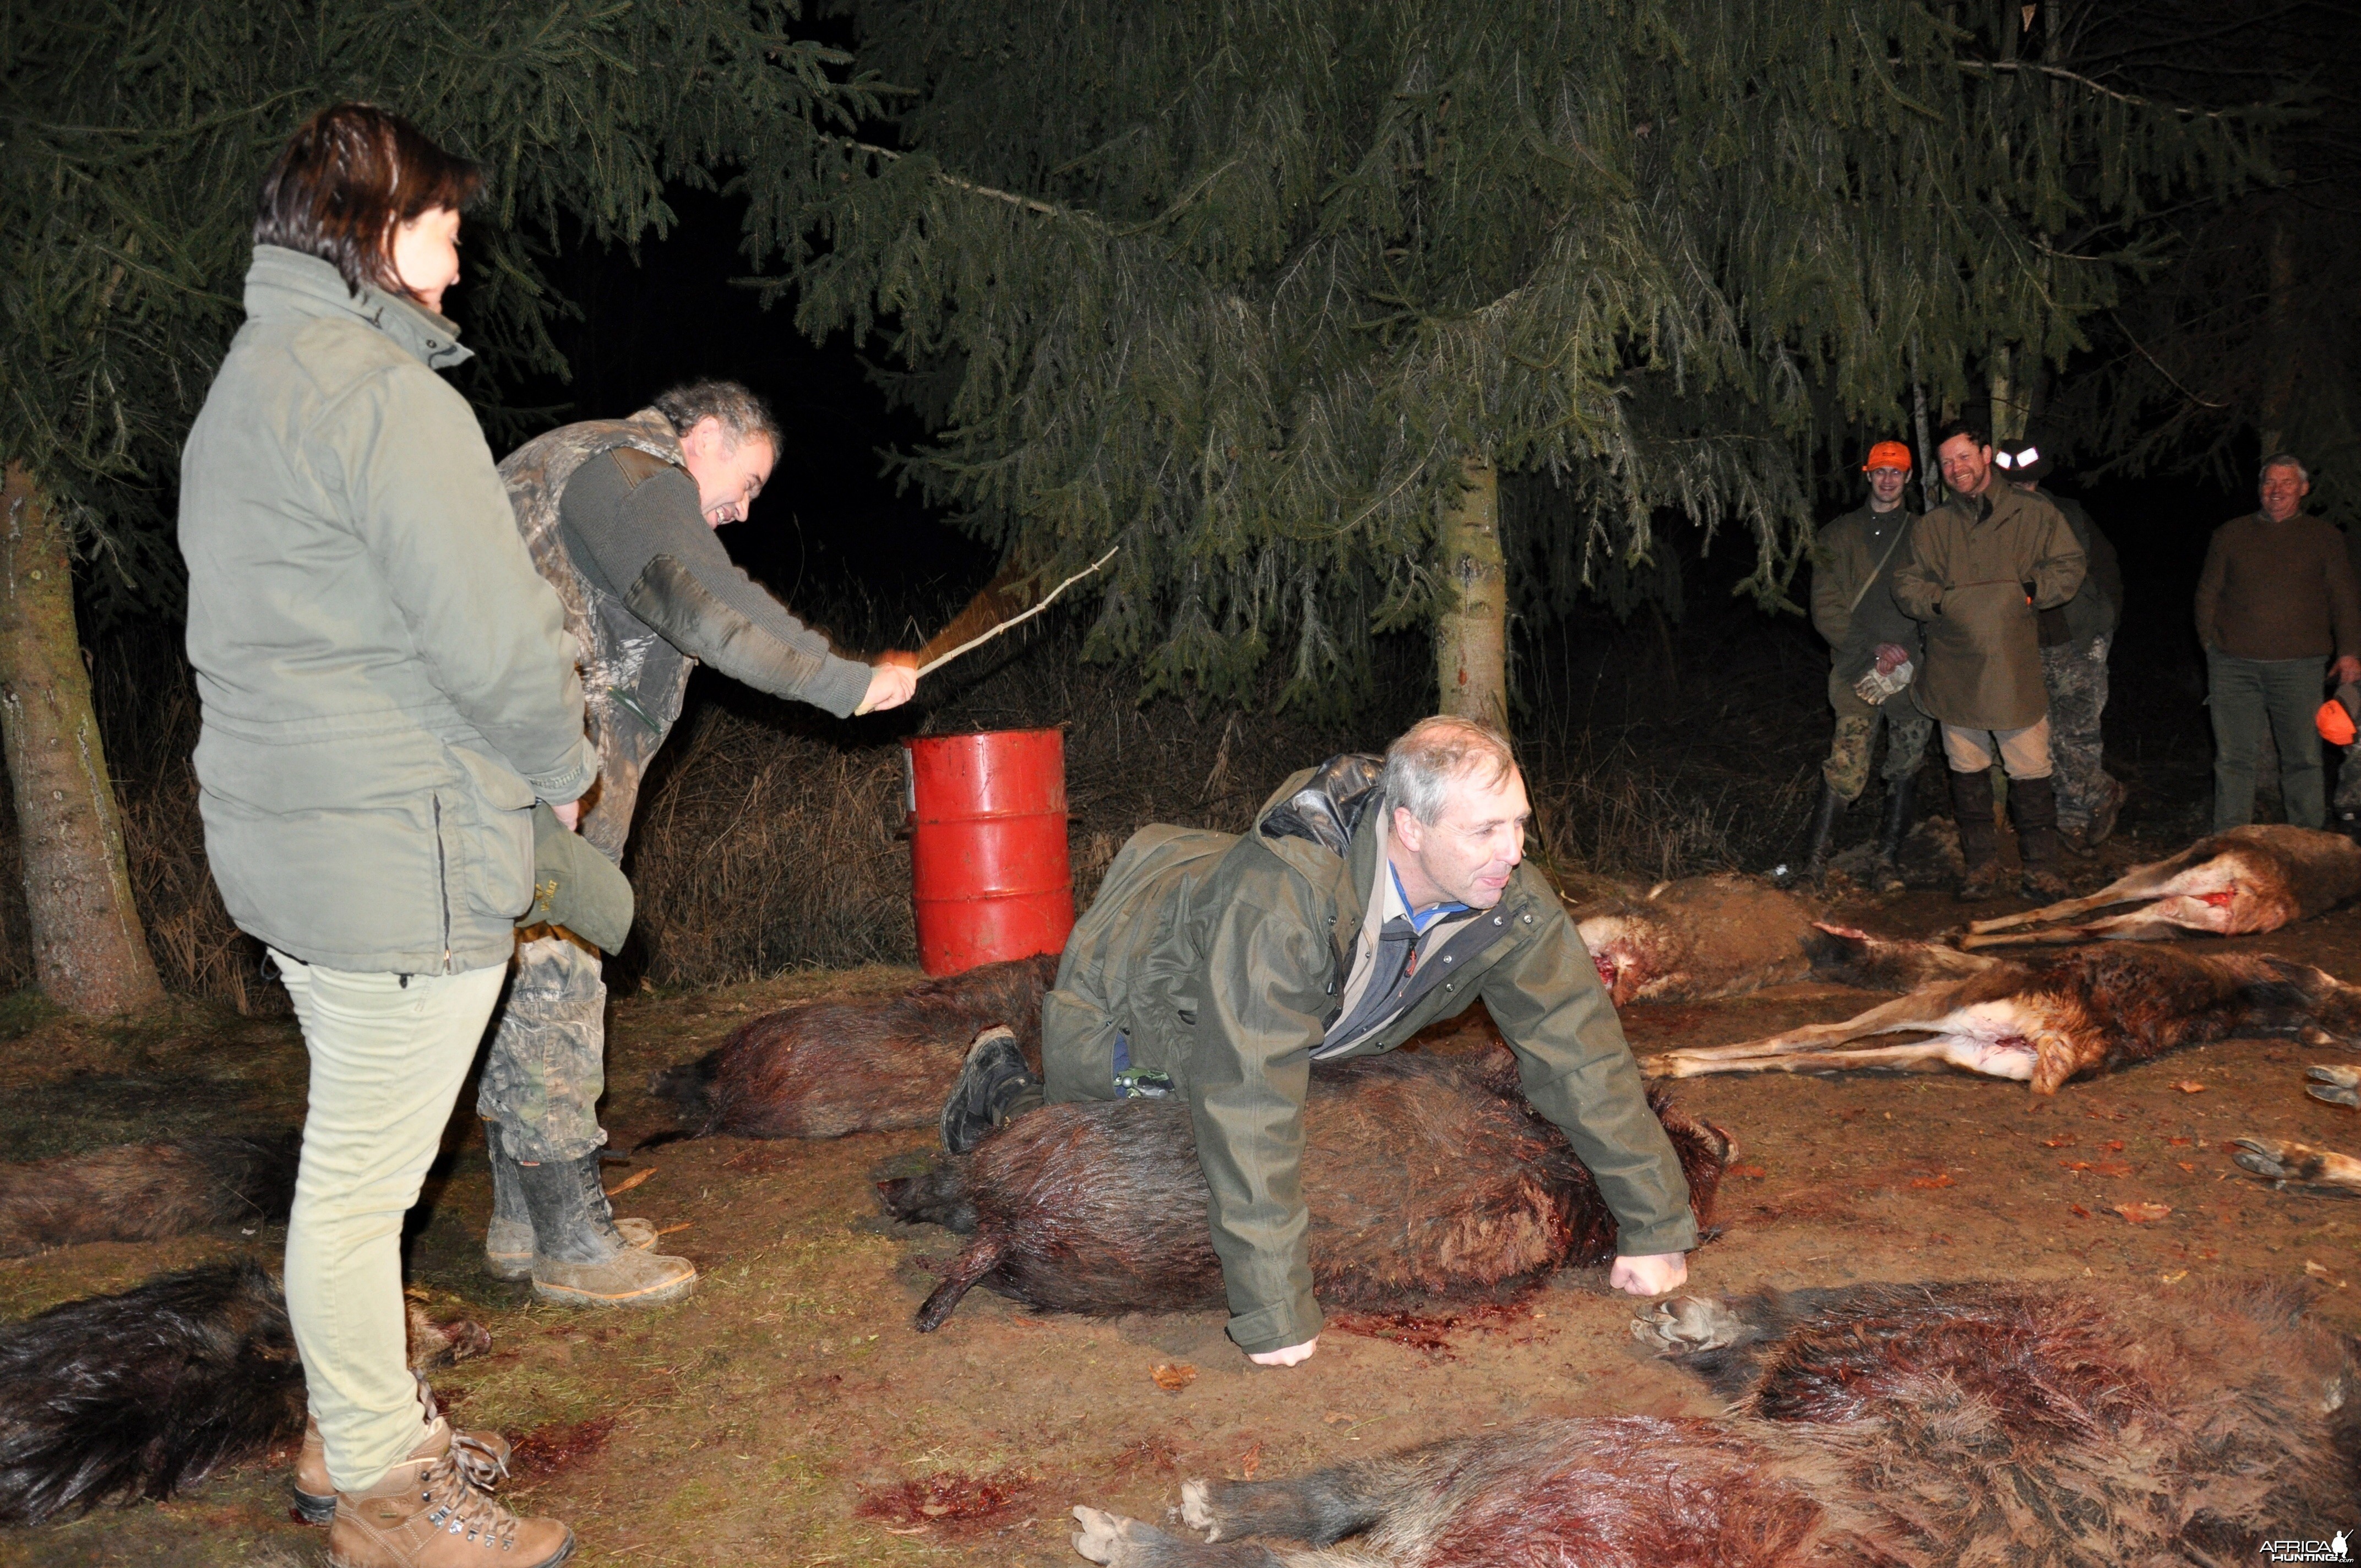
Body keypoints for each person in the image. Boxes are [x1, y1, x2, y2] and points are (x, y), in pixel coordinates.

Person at [179, 105, 581, 1567]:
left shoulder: (251, 384)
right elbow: (490, 636)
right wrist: (562, 767)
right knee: (361, 1190)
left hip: (290, 841)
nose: (459, 248)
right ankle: (380, 1485)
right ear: (371, 230)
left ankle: (349, 1417)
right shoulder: (387, 400)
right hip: (392, 847)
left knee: (358, 1165)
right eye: (441, 221)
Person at [939, 717, 1696, 1368]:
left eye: (1520, 823)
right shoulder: (1286, 899)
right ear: (1411, 828)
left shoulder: (1504, 900)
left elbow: (1582, 1053)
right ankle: (1001, 1086)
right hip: (1143, 997)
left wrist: (1654, 1224)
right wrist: (1273, 1309)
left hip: (1282, 1003)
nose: (1515, 851)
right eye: (1487, 831)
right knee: (1100, 1157)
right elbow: (1247, 1089)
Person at [476, 379, 918, 1306]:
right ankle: (571, 1239)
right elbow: (707, 602)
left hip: (501, 768)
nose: (744, 508)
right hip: (523, 775)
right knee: (556, 969)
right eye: (746, 480)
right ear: (705, 435)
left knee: (520, 974)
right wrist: (845, 679)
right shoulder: (628, 472)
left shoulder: (593, 478)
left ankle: (523, 1218)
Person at [1892, 420, 2086, 902]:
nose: (1956, 468)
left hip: (2015, 664)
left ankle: (2041, 869)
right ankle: (1981, 868)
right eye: (1947, 462)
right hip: (1954, 669)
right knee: (1967, 770)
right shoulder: (1933, 526)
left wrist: (2027, 591)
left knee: (2031, 770)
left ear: (1986, 455)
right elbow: (1908, 585)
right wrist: (1942, 603)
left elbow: (2069, 565)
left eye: (1964, 456)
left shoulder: (2032, 513)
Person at [2194, 453, 2361, 830]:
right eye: (2269, 482)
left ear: (2303, 489)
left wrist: (2350, 652)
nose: (2276, 491)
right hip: (2234, 665)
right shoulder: (2231, 534)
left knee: (2303, 758)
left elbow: (2344, 598)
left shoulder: (2324, 537)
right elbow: (2208, 593)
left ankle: (2306, 843)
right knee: (2233, 759)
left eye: (2286, 483)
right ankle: (2232, 841)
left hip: (2301, 667)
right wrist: (2211, 646)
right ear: (2259, 488)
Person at [1799, 439, 1931, 890]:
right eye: (1881, 472)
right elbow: (1826, 608)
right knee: (1847, 765)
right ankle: (1812, 869)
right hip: (1858, 668)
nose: (1889, 480)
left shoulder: (1925, 534)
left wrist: (1914, 651)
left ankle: (1887, 862)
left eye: (1897, 473)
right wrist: (1873, 647)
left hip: (1912, 675)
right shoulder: (1837, 535)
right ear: (1868, 475)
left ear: (1909, 478)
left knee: (1907, 762)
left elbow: (1940, 601)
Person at [1994, 439, 2126, 851]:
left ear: (2039, 480)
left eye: (2027, 482)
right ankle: (2086, 803)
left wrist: (2100, 635)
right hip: (2025, 646)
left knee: (2080, 731)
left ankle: (2084, 806)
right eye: (2012, 483)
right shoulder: (1991, 524)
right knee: (2043, 736)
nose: (2021, 490)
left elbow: (2107, 574)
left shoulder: (2068, 515)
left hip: (2075, 640)